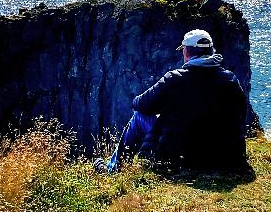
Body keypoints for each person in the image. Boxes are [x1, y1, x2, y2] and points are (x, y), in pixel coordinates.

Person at [94, 29, 248, 173]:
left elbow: (140, 104)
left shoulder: (175, 79)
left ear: (186, 52)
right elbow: (241, 116)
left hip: (183, 158)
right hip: (225, 157)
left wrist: (166, 109)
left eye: (183, 50)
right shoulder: (230, 80)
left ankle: (113, 169)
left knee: (139, 116)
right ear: (211, 51)